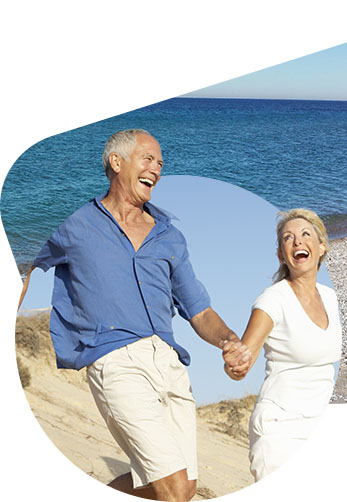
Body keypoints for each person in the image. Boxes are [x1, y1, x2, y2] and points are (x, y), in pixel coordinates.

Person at [18, 129, 251, 501]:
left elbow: (199, 309)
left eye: (160, 163)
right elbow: (22, 262)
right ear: (116, 162)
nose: (156, 169)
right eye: (148, 159)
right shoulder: (74, 222)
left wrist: (230, 341)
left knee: (184, 488)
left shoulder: (169, 236)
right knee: (172, 487)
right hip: (114, 358)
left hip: (170, 362)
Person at [225, 208, 342, 481]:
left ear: (321, 247)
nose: (297, 242)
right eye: (288, 238)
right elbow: (243, 358)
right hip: (281, 430)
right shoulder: (272, 300)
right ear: (281, 254)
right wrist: (236, 367)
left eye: (305, 235)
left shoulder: (332, 299)